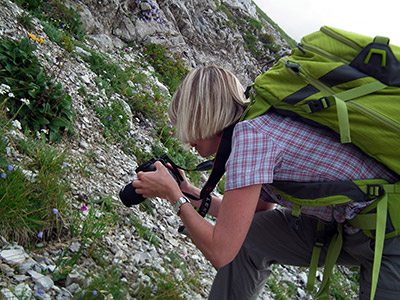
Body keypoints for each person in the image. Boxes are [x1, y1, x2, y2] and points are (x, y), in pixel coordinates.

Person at [132, 65, 400, 300]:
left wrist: (174, 198)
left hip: (390, 234)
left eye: (186, 125)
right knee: (252, 240)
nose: (186, 140)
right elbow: (255, 216)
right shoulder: (258, 125)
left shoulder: (252, 138)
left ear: (203, 117)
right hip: (351, 224)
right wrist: (190, 192)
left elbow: (221, 251)